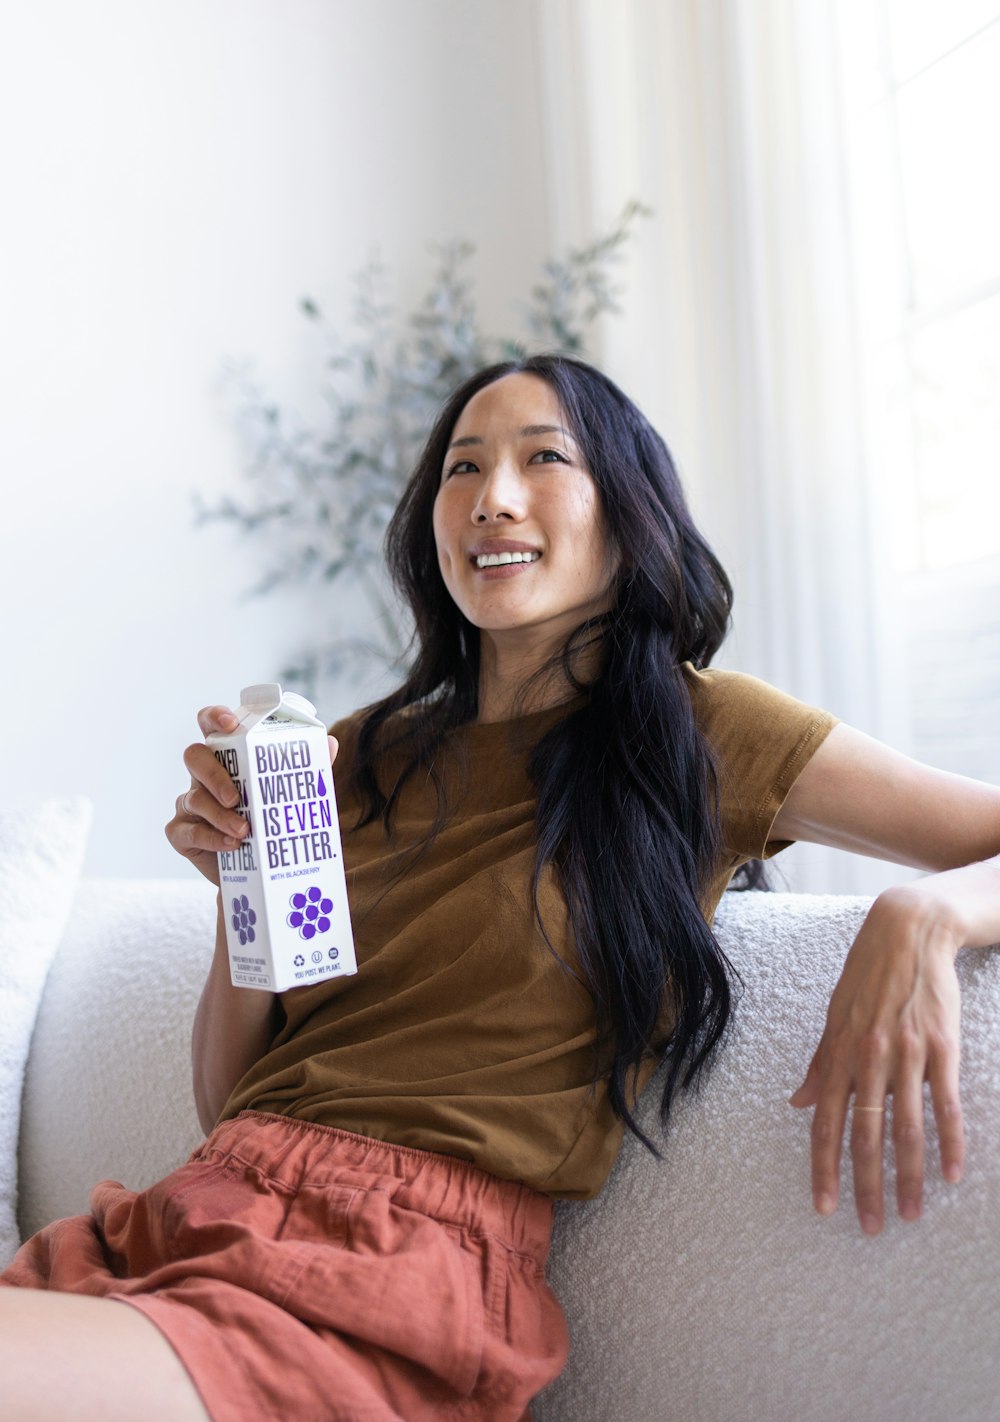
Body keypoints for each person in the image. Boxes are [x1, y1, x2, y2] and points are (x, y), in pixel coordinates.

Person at [3, 354, 999, 1422]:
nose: (493, 498)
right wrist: (242, 888)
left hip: (384, 1275)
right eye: (462, 467)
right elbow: (234, 1099)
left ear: (628, 513)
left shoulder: (704, 731)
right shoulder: (354, 757)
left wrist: (924, 911)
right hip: (187, 1221)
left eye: (543, 459)